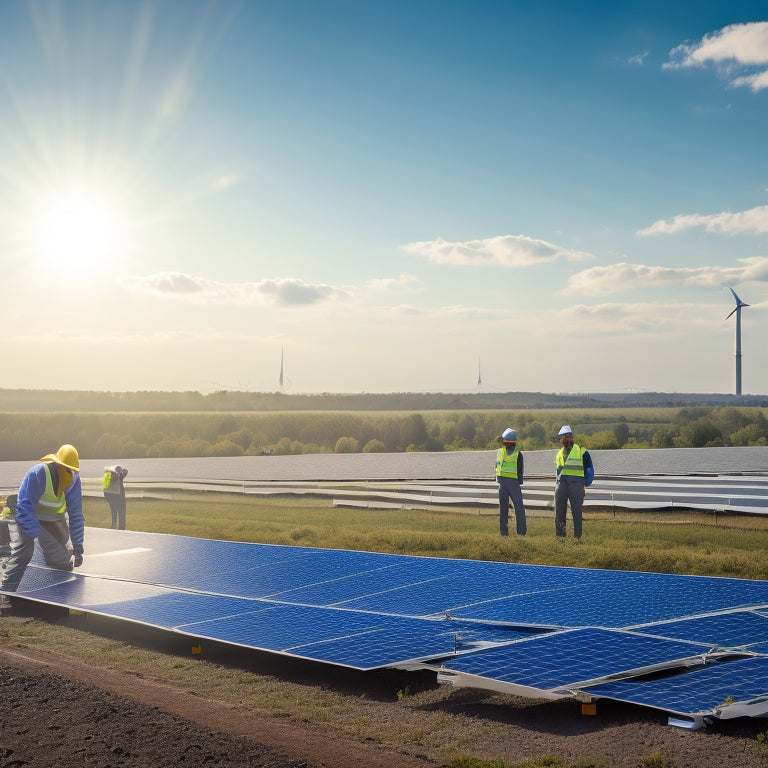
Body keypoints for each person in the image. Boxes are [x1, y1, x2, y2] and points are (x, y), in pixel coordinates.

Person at [0, 444, 85, 596]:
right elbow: (24, 509)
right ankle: (7, 590)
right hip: (27, 516)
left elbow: (76, 514)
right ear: (58, 464)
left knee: (63, 561)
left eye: (72, 470)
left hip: (53, 519)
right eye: (66, 468)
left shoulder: (73, 479)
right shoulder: (38, 474)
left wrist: (78, 546)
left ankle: (54, 591)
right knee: (24, 551)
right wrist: (40, 535)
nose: (69, 473)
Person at [554, 425, 594, 540]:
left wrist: (585, 484)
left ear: (571, 437)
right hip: (561, 485)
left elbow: (589, 470)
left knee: (576, 513)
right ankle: (561, 537)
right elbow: (558, 471)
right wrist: (557, 484)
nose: (563, 439)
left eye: (565, 437)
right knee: (559, 512)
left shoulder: (582, 452)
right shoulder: (559, 453)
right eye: (562, 437)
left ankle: (577, 538)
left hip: (576, 485)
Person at [495, 427, 526, 536]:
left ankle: (512, 533)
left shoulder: (512, 453)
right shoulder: (507, 453)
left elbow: (519, 469)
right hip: (508, 484)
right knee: (514, 509)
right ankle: (514, 533)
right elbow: (520, 470)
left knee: (511, 510)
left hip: (507, 484)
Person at [103, 464, 128, 530]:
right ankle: (121, 528)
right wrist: (121, 470)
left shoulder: (108, 476)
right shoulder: (119, 477)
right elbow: (126, 471)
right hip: (120, 497)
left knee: (113, 511)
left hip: (111, 497)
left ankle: (113, 526)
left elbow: (105, 490)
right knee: (121, 513)